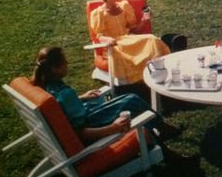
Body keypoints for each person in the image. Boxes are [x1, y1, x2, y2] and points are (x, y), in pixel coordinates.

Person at [31, 46, 180, 144]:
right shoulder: (65, 93)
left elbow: (61, 105)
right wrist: (113, 128)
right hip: (92, 124)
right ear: (56, 69)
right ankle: (161, 128)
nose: (67, 64)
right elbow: (81, 133)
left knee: (130, 99)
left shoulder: (44, 85)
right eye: (65, 63)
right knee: (133, 100)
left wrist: (80, 98)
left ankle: (159, 128)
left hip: (85, 113)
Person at [89, 0, 171, 83]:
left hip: (128, 39)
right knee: (119, 52)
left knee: (152, 39)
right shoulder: (98, 13)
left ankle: (160, 71)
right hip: (114, 44)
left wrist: (144, 19)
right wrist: (108, 40)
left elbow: (135, 30)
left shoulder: (124, 6)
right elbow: (99, 36)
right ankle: (142, 78)